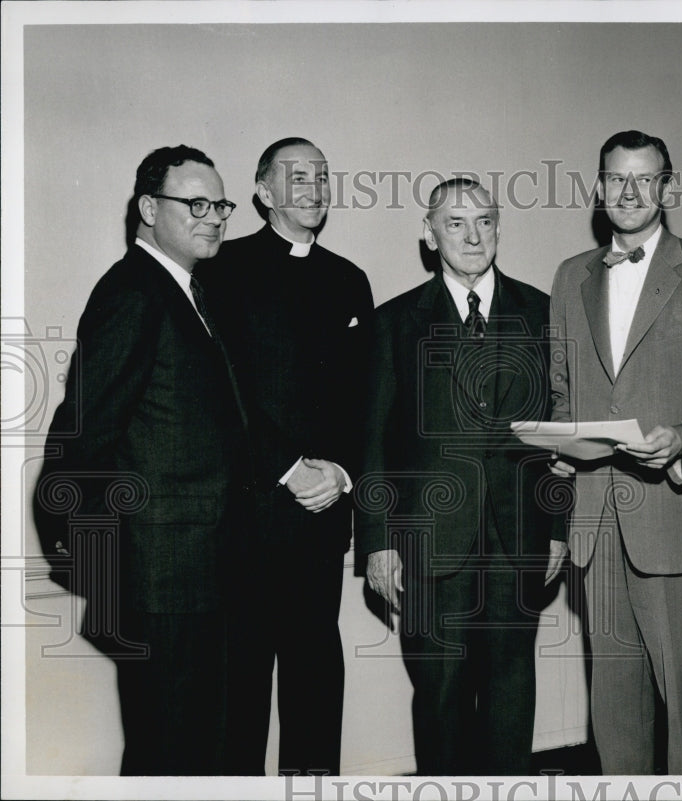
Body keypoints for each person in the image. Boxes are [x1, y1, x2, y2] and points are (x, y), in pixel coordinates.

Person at [33, 145, 251, 775]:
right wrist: (99, 570)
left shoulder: (187, 292)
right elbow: (78, 442)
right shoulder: (133, 293)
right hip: (162, 582)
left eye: (221, 205)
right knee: (168, 755)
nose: (213, 217)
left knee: (193, 751)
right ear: (150, 208)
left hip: (198, 574)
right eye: (197, 204)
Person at [548, 130, 682, 774]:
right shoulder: (570, 276)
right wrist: (559, 443)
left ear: (667, 186)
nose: (629, 192)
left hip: (676, 519)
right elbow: (562, 390)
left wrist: (681, 442)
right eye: (616, 179)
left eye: (645, 179)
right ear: (599, 188)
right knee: (615, 713)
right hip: (596, 527)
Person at [355, 178, 567, 775]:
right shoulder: (395, 323)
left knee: (509, 693)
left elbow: (560, 430)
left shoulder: (542, 313)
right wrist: (376, 543)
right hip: (427, 543)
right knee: (440, 696)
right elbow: (372, 441)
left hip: (515, 538)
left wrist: (556, 526)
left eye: (485, 222)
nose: (473, 236)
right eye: (455, 223)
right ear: (429, 234)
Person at [195, 137, 374, 775]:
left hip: (321, 519)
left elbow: (364, 400)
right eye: (297, 176)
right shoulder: (221, 270)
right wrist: (289, 467)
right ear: (264, 194)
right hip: (245, 519)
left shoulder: (348, 279)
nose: (314, 187)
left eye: (322, 175)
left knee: (316, 686)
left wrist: (343, 473)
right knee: (239, 694)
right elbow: (223, 394)